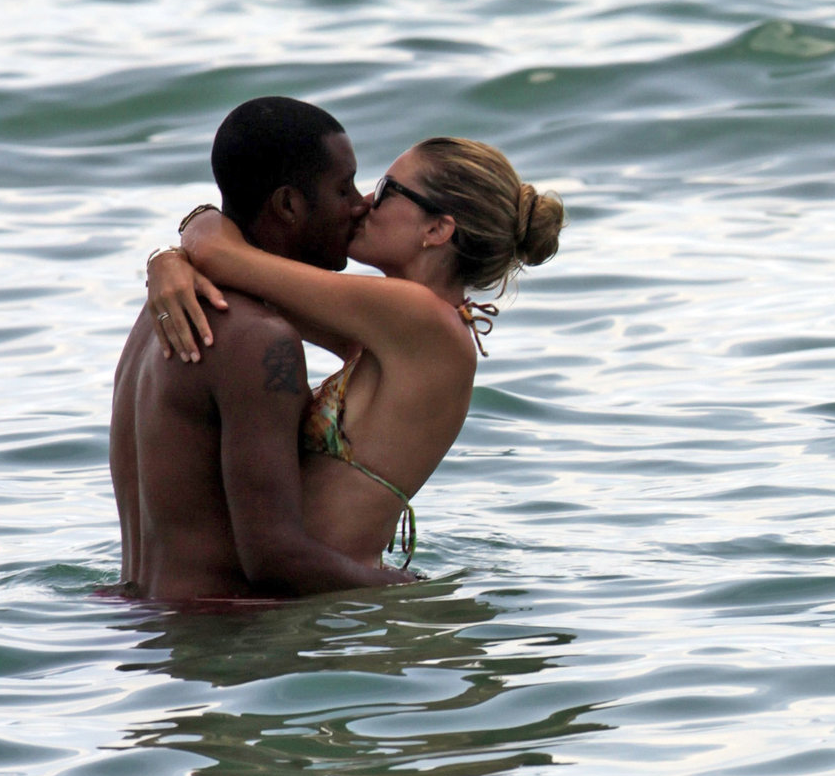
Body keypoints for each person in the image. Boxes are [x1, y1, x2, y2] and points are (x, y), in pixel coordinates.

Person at [146, 134, 565, 572]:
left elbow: (217, 253)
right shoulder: (404, 331)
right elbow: (238, 280)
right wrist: (172, 260)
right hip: (337, 606)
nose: (364, 203)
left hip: (330, 607)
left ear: (437, 229)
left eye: (386, 191)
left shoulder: (419, 318)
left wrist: (168, 255)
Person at [111, 97, 416, 601]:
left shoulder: (162, 309)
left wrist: (171, 250)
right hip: (223, 646)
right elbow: (276, 560)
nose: (360, 203)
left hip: (139, 619)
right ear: (289, 205)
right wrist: (414, 589)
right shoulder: (259, 339)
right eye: (343, 188)